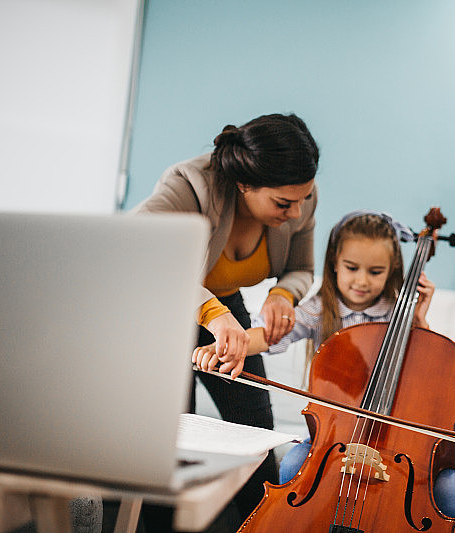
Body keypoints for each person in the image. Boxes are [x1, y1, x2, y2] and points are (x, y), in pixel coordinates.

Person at [194, 211, 455, 525]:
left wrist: (418, 322)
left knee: (447, 488)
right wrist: (228, 345)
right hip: (333, 441)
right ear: (335, 262)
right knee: (294, 464)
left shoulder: (399, 315)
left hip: (396, 446)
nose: (362, 280)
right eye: (352, 268)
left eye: (375, 272)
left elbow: (431, 380)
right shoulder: (320, 310)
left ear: (391, 270)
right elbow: (267, 337)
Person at [132, 112, 320, 525]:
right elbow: (139, 248)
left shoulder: (298, 201)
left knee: (255, 426)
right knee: (169, 441)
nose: (296, 212)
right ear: (244, 184)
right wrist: (214, 313)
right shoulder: (186, 185)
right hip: (165, 309)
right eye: (284, 203)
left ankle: (264, 526)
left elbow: (302, 267)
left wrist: (283, 294)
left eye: (304, 199)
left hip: (221, 307)